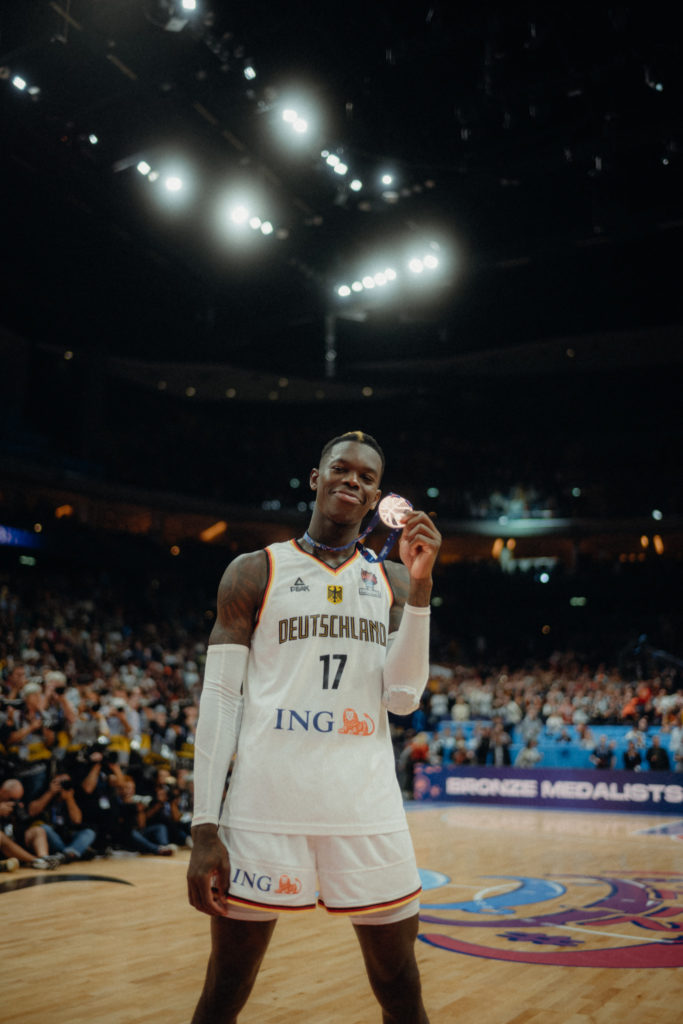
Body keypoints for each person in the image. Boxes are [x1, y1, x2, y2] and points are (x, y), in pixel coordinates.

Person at [186, 430, 441, 1024]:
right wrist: (204, 827)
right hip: (264, 806)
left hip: (365, 805)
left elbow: (402, 699)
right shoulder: (254, 571)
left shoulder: (394, 580)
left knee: (401, 985)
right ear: (315, 477)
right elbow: (221, 699)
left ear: (378, 494)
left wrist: (423, 587)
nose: (353, 480)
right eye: (341, 469)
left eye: (367, 476)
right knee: (225, 988)